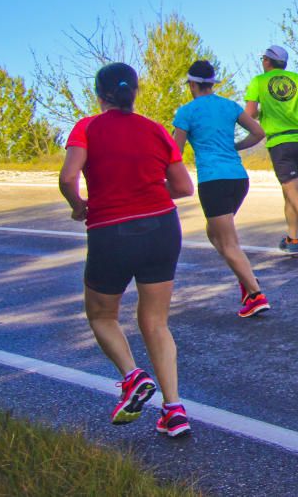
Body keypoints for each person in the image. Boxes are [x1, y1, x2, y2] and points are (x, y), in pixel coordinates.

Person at [58, 62, 194, 437]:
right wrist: (146, 192)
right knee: (156, 322)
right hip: (162, 228)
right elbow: (183, 188)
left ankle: (133, 377)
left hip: (110, 231)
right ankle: (174, 409)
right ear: (135, 91)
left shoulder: (88, 127)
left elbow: (69, 177)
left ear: (99, 94)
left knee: (102, 316)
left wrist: (78, 205)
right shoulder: (154, 129)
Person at [173, 60, 269, 318]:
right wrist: (235, 147)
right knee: (213, 233)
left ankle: (255, 294)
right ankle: (245, 277)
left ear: (192, 84)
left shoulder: (186, 112)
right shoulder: (229, 106)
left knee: (227, 242)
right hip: (238, 179)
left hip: (213, 181)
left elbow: (175, 153)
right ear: (212, 84)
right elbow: (258, 132)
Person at [244, 45, 298, 262]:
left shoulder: (259, 81)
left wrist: (259, 120)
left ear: (267, 61)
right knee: (289, 190)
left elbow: (250, 112)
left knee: (292, 191)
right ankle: (292, 241)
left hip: (280, 142)